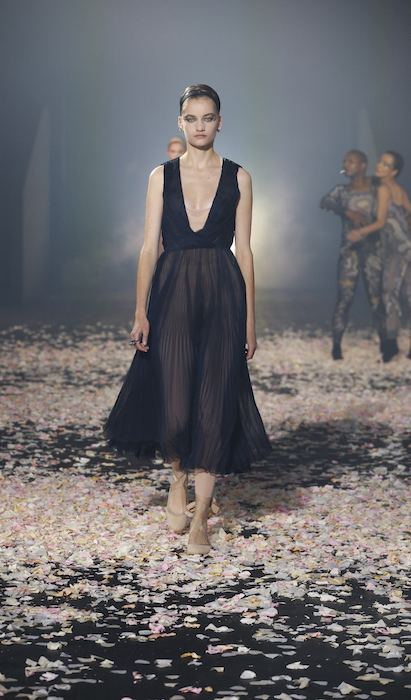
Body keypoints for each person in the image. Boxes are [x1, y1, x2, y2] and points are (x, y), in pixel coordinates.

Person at [105, 85, 271, 555]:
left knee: (214, 406)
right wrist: (140, 310)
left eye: (208, 117)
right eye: (192, 118)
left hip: (223, 295)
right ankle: (177, 478)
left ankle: (201, 518)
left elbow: (245, 251)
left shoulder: (240, 177)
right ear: (180, 123)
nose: (200, 126)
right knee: (176, 406)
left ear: (220, 122)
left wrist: (251, 320)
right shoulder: (161, 176)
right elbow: (148, 247)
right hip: (172, 293)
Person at [320, 151, 386, 360]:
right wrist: (347, 212)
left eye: (351, 161)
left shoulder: (377, 187)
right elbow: (324, 202)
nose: (345, 164)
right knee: (344, 300)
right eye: (344, 161)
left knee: (377, 301)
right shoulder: (341, 191)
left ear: (363, 165)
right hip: (349, 252)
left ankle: (386, 346)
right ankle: (336, 347)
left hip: (373, 252)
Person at [347, 151, 411, 362]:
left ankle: (391, 347)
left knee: (389, 295)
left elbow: (381, 222)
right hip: (406, 247)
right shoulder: (399, 190)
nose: (379, 165)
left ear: (394, 171)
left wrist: (359, 232)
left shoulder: (384, 189)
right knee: (408, 295)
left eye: (385, 164)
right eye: (380, 161)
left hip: (399, 250)